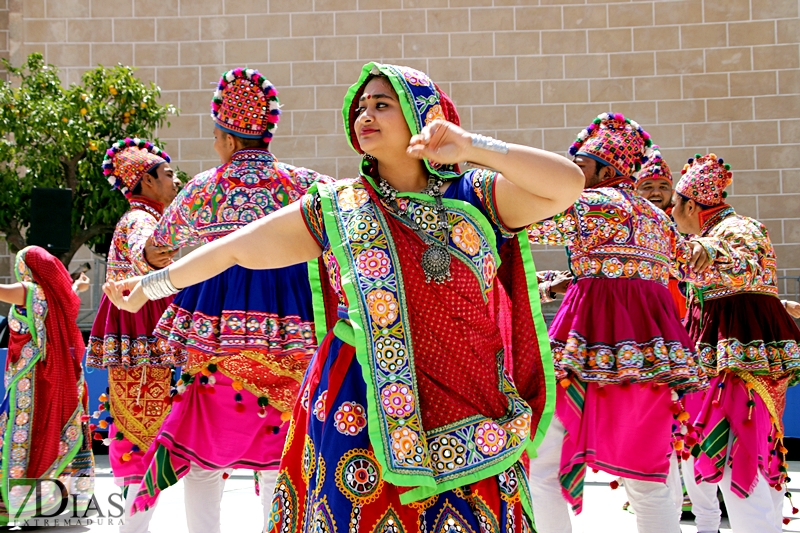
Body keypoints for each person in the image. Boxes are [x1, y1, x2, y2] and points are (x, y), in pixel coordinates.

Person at [105, 62, 584, 532]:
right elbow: (236, 249)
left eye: (382, 104)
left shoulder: (473, 194)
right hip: (359, 400)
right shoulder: (338, 205)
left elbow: (566, 186)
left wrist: (472, 145)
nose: (365, 115)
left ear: (423, 113)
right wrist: (148, 287)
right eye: (360, 107)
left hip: (469, 401)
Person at [119, 68, 329, 533]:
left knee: (202, 450)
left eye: (216, 137)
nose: (215, 146)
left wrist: (147, 262)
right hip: (291, 334)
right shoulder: (307, 184)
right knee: (281, 446)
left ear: (229, 139)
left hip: (217, 339)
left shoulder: (203, 187)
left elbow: (159, 247)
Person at [526, 113, 715, 533]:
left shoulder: (590, 203)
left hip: (588, 338)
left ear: (606, 170)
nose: (573, 174)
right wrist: (706, 248)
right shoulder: (658, 218)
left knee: (544, 466)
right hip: (652, 348)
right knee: (649, 473)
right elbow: (694, 268)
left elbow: (521, 221)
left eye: (582, 167)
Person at [671, 153, 800, 532]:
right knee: (754, 452)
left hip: (737, 359)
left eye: (675, 205)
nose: (673, 213)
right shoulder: (715, 232)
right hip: (735, 358)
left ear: (691, 204)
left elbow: (746, 263)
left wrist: (706, 251)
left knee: (739, 457)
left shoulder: (735, 229)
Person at [85, 138, 182, 533]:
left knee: (143, 432)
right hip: (141, 336)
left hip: (141, 335)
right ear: (146, 180)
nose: (176, 180)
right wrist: (159, 255)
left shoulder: (146, 216)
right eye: (169, 174)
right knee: (145, 435)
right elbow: (149, 251)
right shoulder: (140, 220)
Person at [0, 246, 94, 524]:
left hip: (27, 382)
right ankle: (42, 501)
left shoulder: (27, 291)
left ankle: (16, 501)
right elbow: (71, 297)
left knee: (19, 434)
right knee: (46, 434)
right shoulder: (57, 297)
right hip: (54, 379)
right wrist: (79, 285)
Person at [635, 146, 687, 319]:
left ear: (672, 193)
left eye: (663, 187)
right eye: (647, 186)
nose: (656, 192)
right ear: (635, 192)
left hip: (680, 303)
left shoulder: (685, 222)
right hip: (639, 301)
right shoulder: (627, 220)